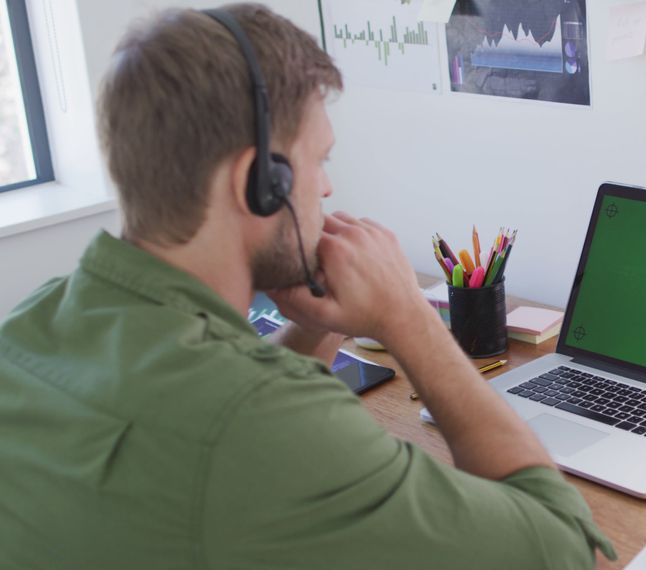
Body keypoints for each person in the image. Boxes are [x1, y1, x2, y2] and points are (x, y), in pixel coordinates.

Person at [0, 4, 614, 568]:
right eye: (319, 160)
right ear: (257, 184)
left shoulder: (30, 328)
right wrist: (407, 316)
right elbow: (559, 545)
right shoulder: (263, 428)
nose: (325, 189)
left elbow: (214, 405)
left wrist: (322, 320)